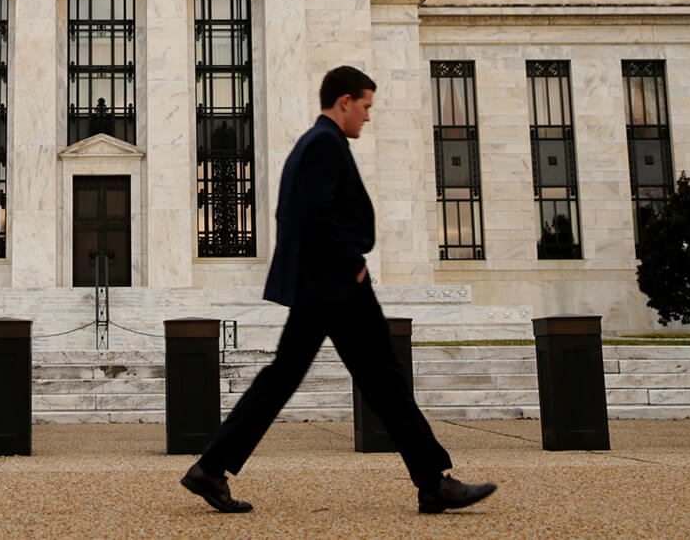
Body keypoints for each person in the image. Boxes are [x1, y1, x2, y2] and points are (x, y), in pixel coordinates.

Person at [180, 65, 498, 515]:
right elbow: (314, 213)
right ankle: (433, 482)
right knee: (380, 378)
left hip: (321, 284)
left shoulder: (317, 143)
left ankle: (211, 468)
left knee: (297, 377)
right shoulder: (324, 144)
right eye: (365, 106)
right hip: (336, 283)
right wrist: (352, 266)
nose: (368, 117)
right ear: (344, 101)